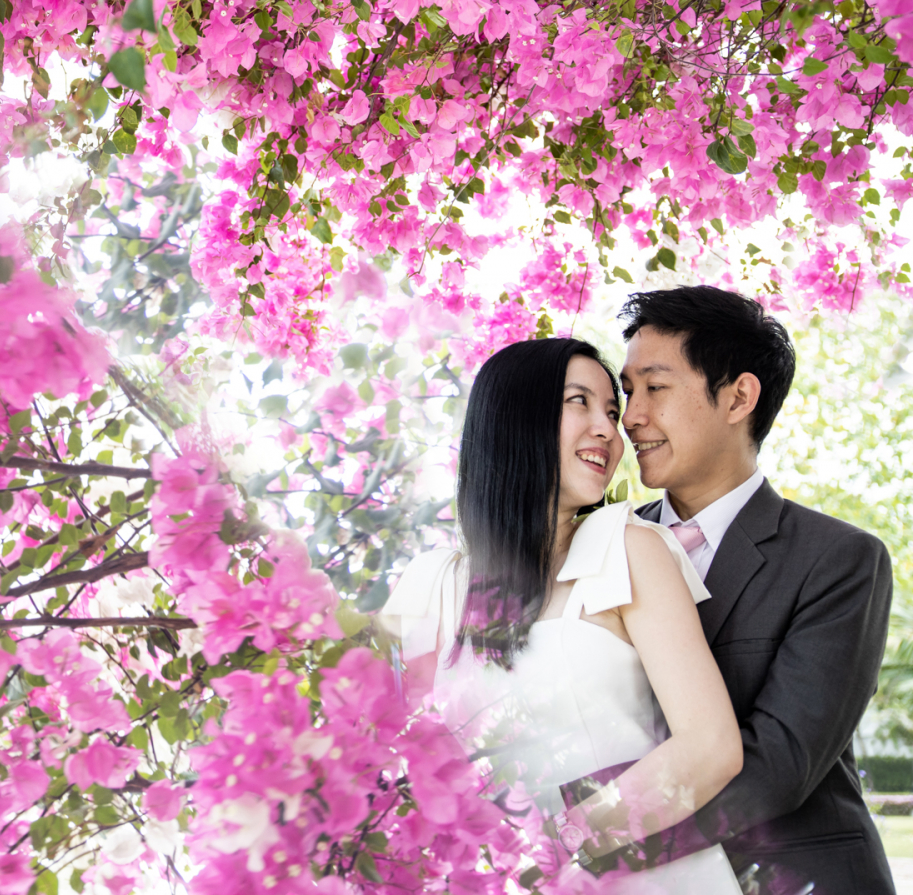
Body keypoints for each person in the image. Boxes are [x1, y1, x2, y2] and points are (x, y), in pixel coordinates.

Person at [381, 336, 746, 891]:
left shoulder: (626, 548)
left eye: (611, 412)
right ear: (513, 419)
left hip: (637, 876)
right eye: (580, 402)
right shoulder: (431, 583)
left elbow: (710, 747)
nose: (608, 429)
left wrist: (560, 844)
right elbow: (407, 755)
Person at [595, 286, 895, 894]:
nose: (630, 417)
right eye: (628, 392)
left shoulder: (839, 560)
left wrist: (586, 837)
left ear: (738, 397)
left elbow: (776, 765)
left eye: (655, 387)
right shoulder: (599, 545)